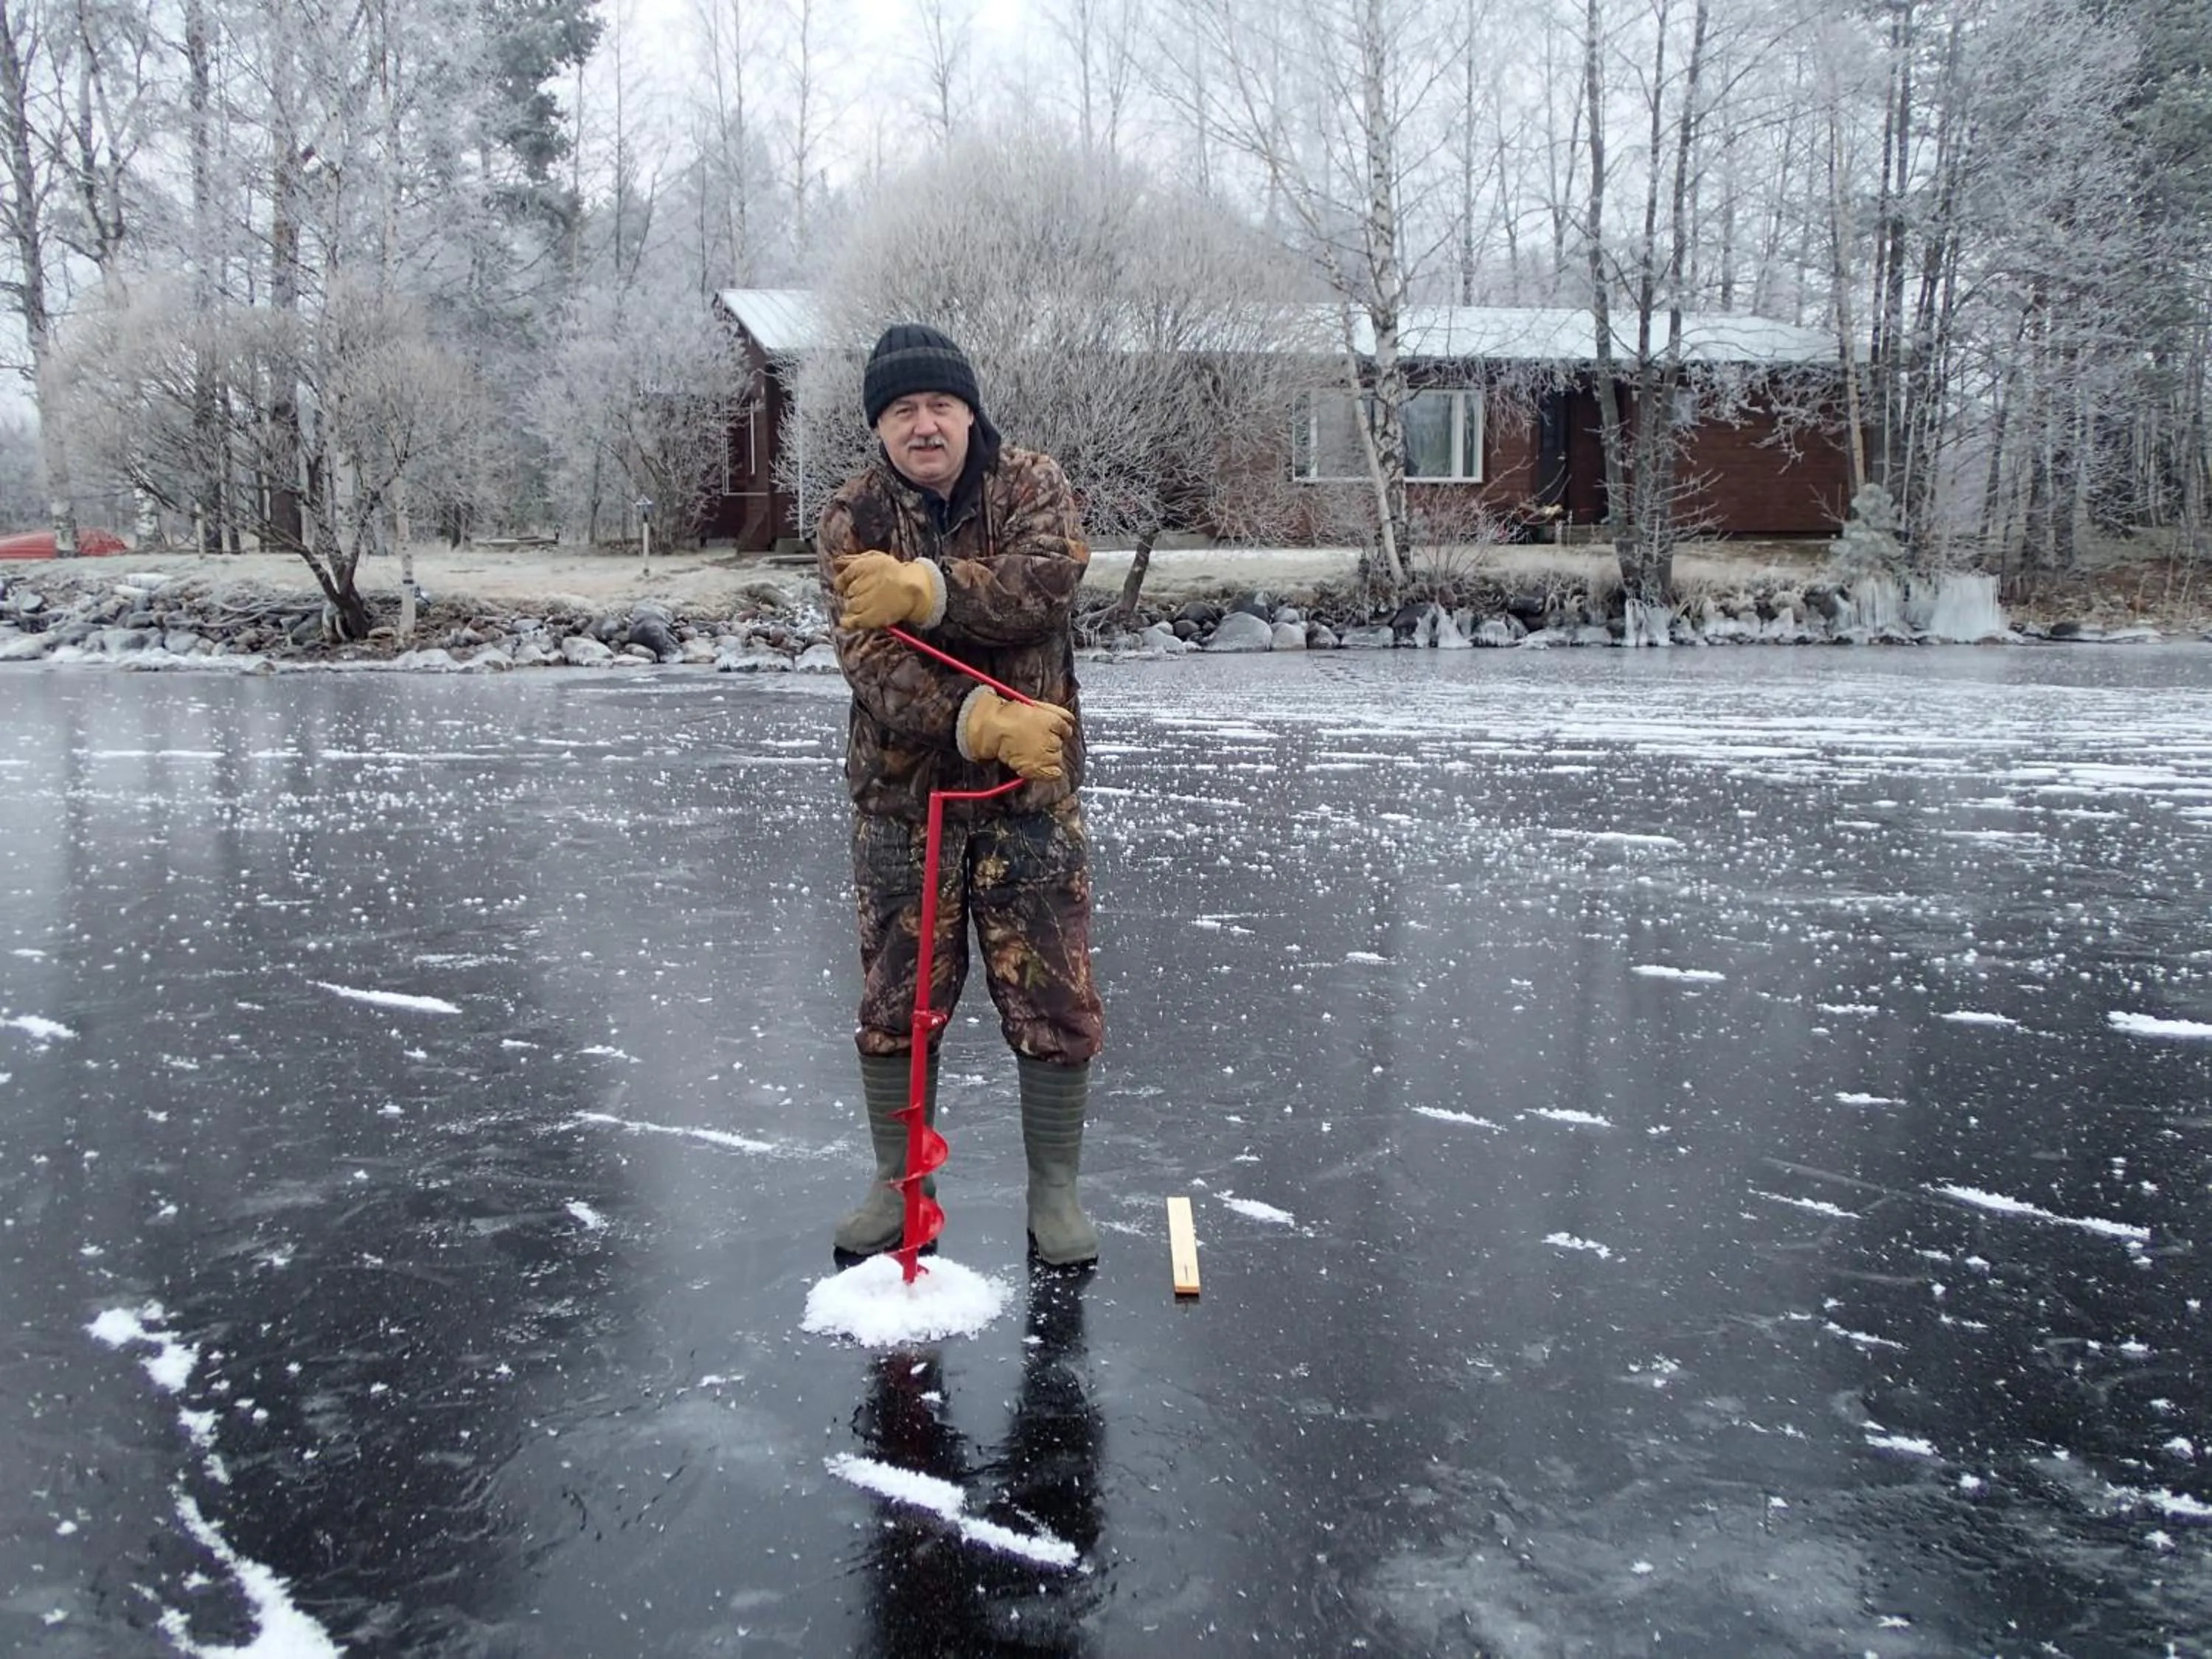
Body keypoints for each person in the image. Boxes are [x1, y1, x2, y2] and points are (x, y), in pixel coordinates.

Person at [814, 322, 1105, 1267]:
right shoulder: (851, 517)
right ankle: (902, 1185)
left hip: (1029, 800)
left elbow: (1044, 585)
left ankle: (1054, 1192)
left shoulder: (1033, 483)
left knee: (1052, 995)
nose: (925, 426)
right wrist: (976, 719)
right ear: (879, 429)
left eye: (940, 405)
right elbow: (870, 661)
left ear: (970, 411)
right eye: (903, 411)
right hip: (905, 805)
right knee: (897, 1001)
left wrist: (930, 590)